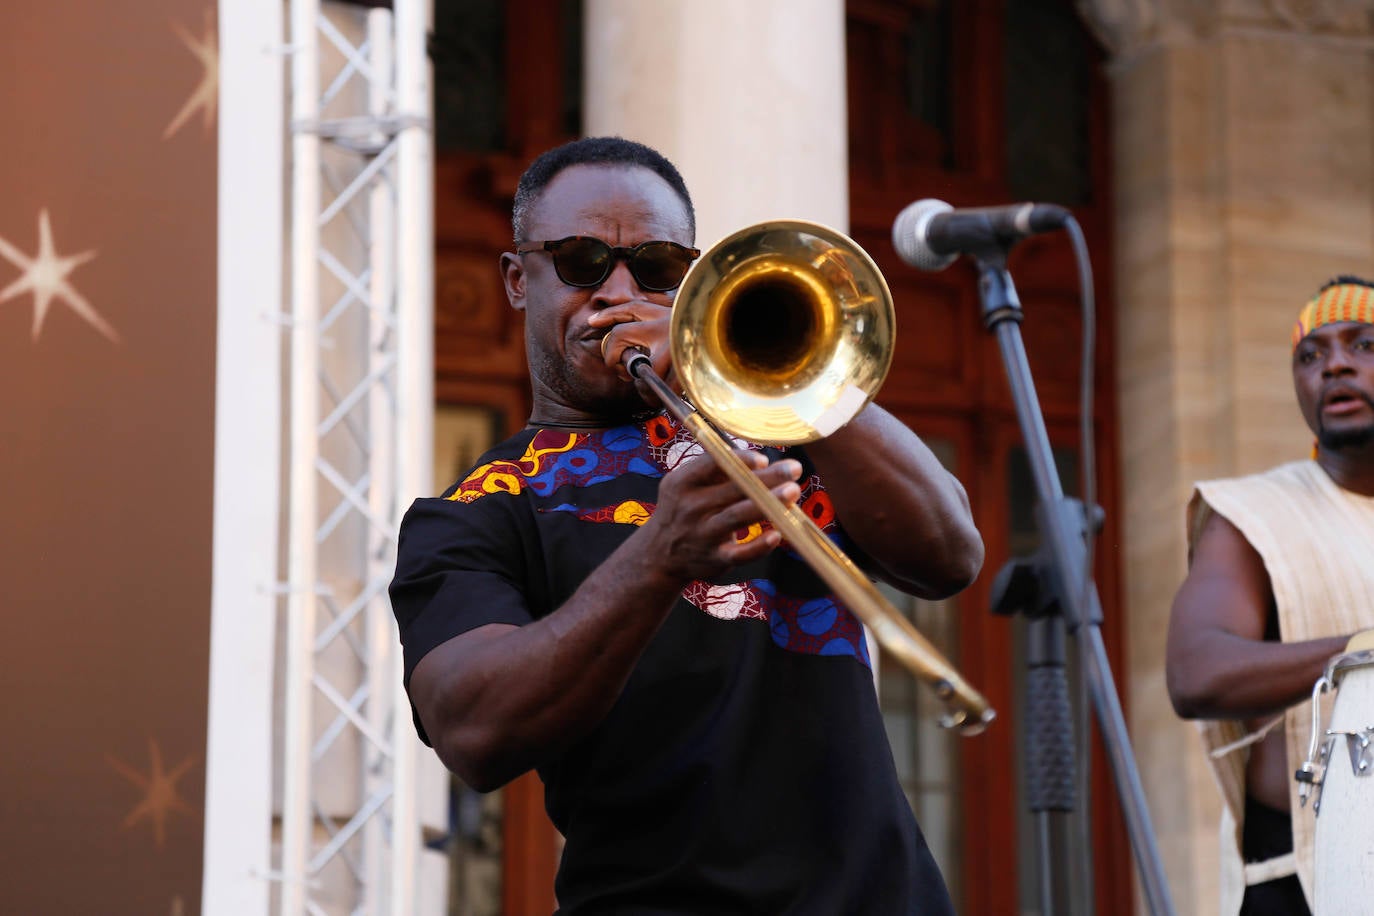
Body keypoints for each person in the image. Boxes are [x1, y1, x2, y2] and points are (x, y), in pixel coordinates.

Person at [389, 136, 985, 913]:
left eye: (659, 267)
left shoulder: (784, 430)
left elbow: (949, 554)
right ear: (516, 278)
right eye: (581, 261)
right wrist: (659, 557)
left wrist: (794, 381)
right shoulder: (478, 507)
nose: (619, 291)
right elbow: (472, 731)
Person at [1165, 276, 1374, 915]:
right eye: (1310, 356)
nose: (1334, 363)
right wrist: (1362, 652)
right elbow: (1196, 673)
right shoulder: (1250, 514)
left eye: (1362, 344)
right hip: (1302, 879)